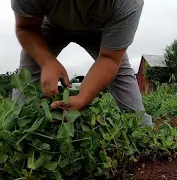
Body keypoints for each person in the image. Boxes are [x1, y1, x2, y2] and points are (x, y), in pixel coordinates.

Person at [10, 0, 153, 126]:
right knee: (28, 71)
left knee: (120, 71)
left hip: (98, 31)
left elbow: (110, 58)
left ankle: (144, 130)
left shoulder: (128, 3)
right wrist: (46, 61)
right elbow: (26, 28)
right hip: (51, 25)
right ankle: (17, 128)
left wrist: (83, 97)